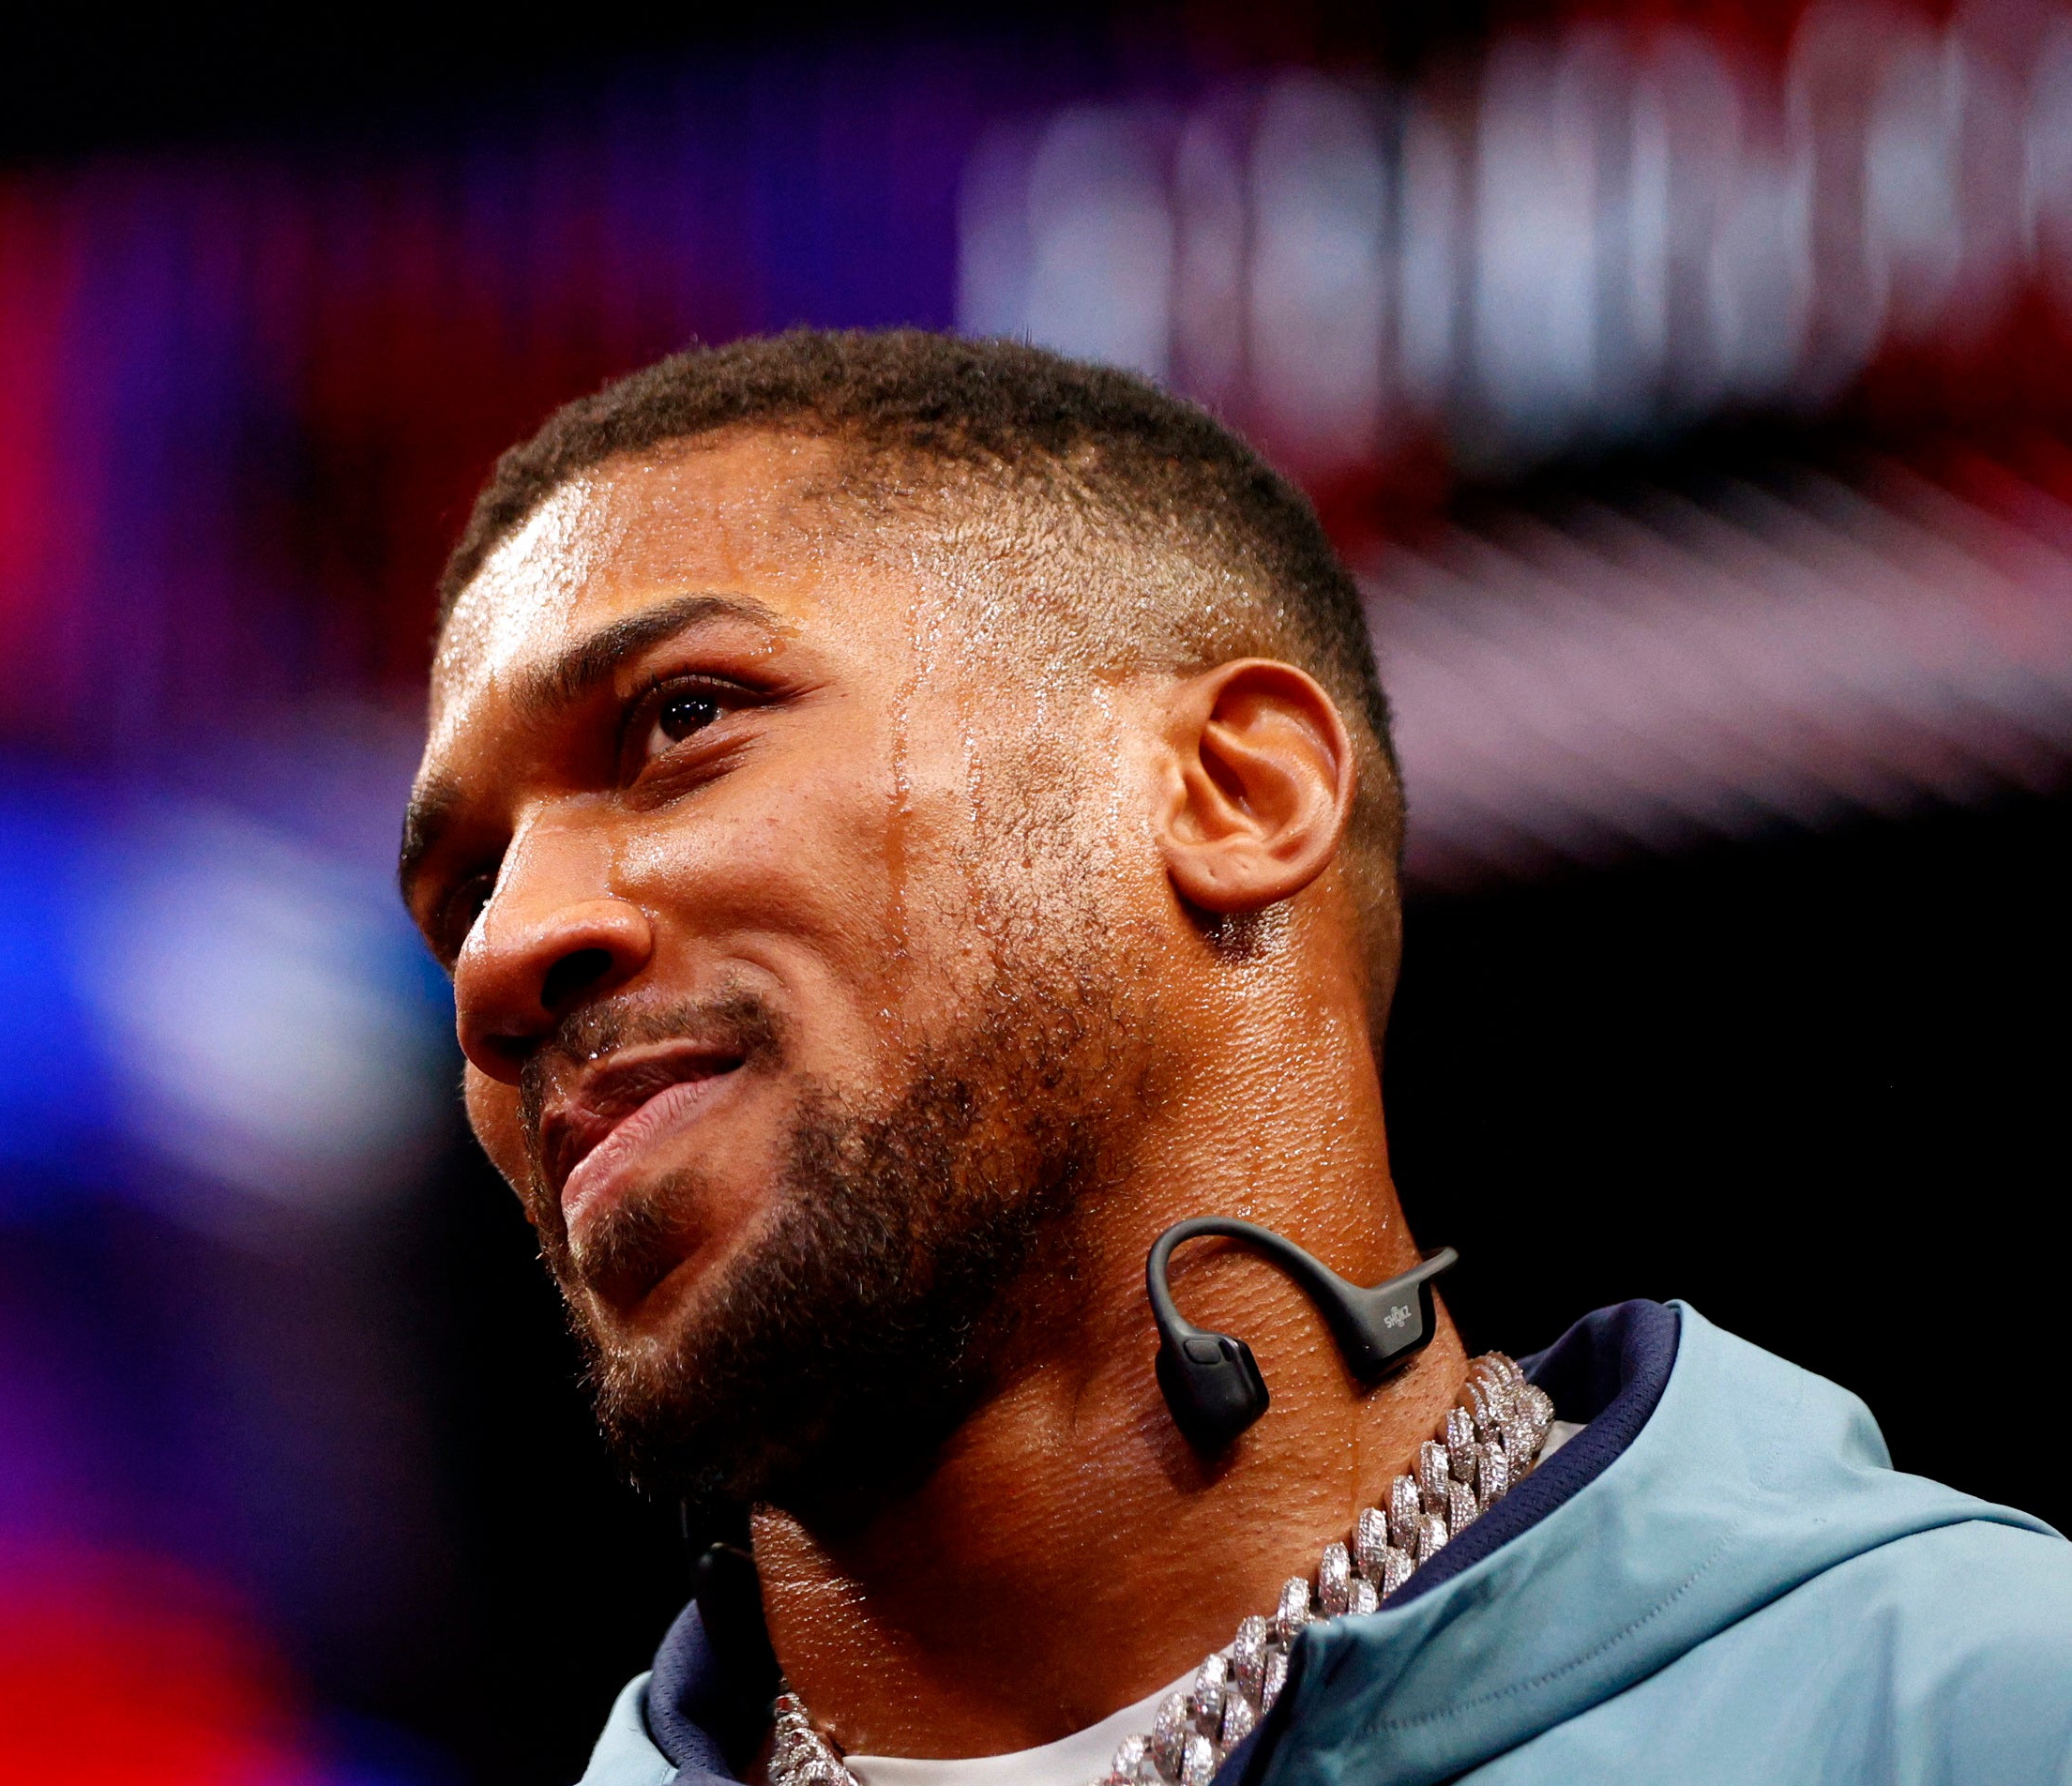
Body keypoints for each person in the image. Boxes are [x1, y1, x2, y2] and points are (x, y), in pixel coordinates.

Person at [397, 330, 2072, 1786]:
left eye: (683, 721)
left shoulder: (1971, 1715)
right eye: (460, 887)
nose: (501, 954)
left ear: (1234, 797)